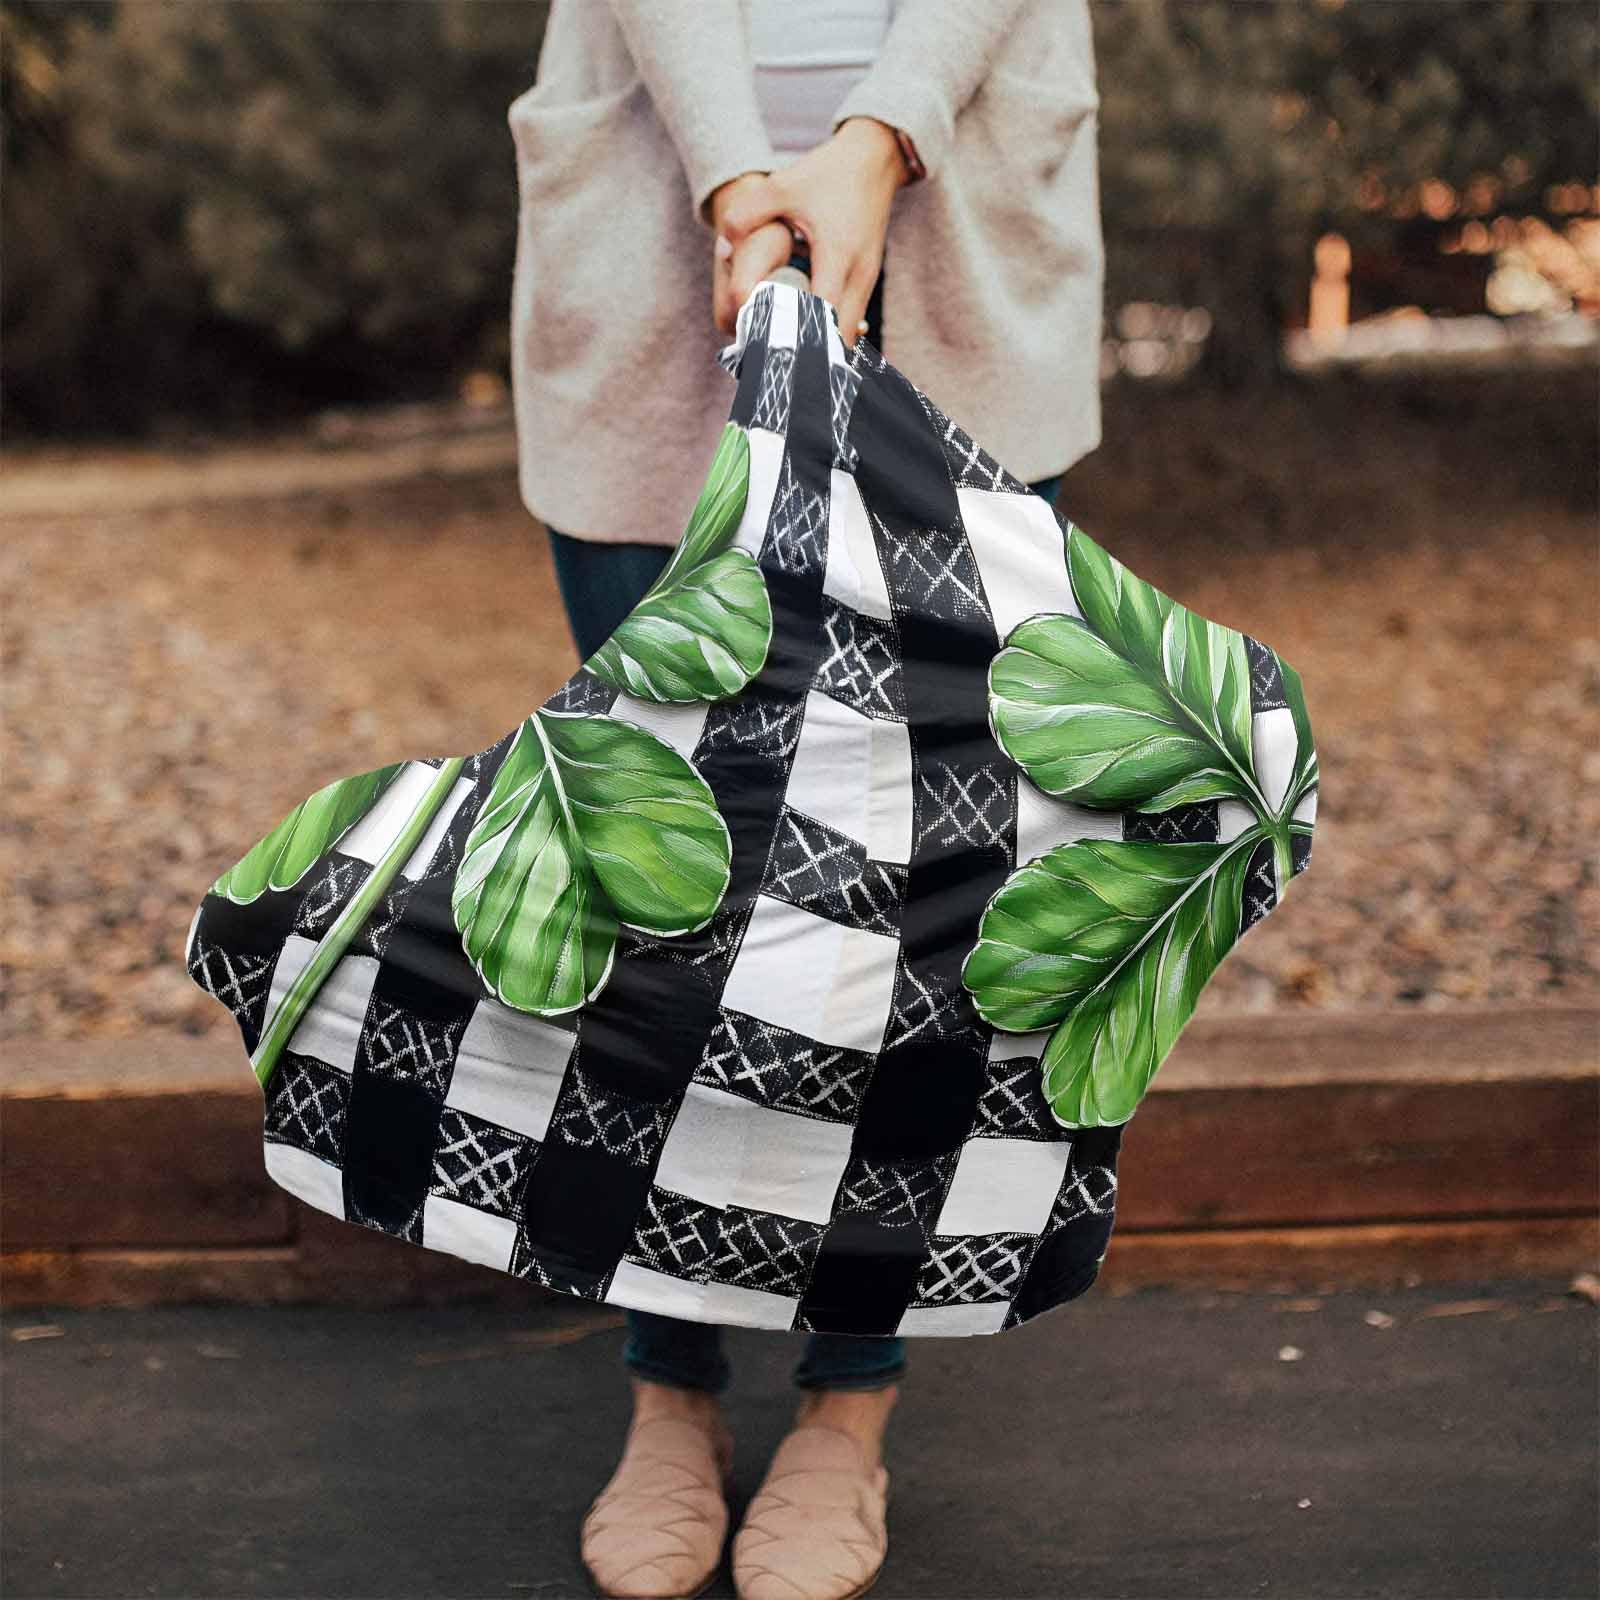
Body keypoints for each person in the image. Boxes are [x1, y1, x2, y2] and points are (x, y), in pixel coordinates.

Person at [506, 3, 1103, 1595]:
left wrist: (879, 140)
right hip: (656, 225)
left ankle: (849, 1403)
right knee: (661, 876)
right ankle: (670, 1384)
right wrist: (735, 178)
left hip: (961, 230)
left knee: (920, 886)